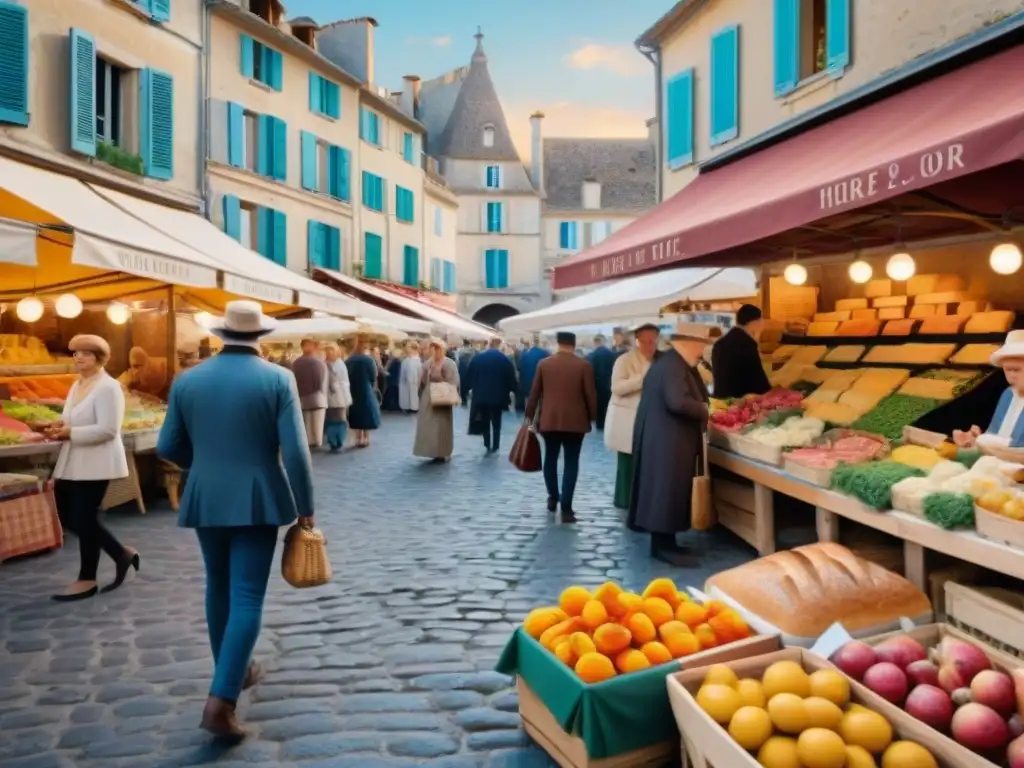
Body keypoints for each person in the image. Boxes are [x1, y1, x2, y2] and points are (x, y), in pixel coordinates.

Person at [156, 301, 314, 741]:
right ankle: (220, 701)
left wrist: (204, 464)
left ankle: (236, 670)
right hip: (259, 494)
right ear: (260, 336)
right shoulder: (277, 379)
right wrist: (306, 505)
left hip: (206, 494)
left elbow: (168, 443)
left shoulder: (188, 379)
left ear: (223, 333)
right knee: (247, 595)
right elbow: (297, 453)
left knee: (218, 585)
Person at [48, 334, 137, 602]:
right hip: (73, 462)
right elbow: (69, 417)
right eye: (75, 353)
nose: (79, 358)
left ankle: (87, 578)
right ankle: (120, 554)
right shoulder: (77, 385)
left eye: (86, 353)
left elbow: (109, 430)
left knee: (85, 518)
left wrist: (71, 433)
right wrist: (56, 426)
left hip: (98, 463)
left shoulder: (109, 387)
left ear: (99, 358)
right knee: (66, 513)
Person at [628, 323, 721, 566]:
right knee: (665, 491)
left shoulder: (673, 363)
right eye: (701, 345)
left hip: (666, 438)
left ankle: (667, 543)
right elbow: (677, 401)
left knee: (666, 492)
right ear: (689, 343)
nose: (702, 350)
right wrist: (704, 409)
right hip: (668, 440)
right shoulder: (673, 366)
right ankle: (662, 547)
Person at [525, 332, 597, 523]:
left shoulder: (544, 364)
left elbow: (534, 393)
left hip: (549, 420)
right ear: (574, 345)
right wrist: (593, 416)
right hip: (576, 421)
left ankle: (552, 496)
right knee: (571, 462)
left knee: (550, 458)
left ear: (558, 344)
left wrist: (529, 416)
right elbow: (590, 395)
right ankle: (566, 507)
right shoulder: (583, 365)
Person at [605, 324, 661, 509]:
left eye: (652, 340)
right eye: (644, 341)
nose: (648, 345)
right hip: (628, 419)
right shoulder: (624, 360)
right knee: (627, 461)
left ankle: (644, 500)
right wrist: (642, 379)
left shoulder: (662, 359)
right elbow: (617, 387)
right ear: (637, 340)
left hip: (655, 418)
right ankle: (624, 500)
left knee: (650, 462)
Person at [954, 330, 1024, 451]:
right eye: (1007, 370)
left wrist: (986, 443)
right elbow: (995, 435)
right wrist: (975, 440)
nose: (1011, 375)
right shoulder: (1008, 395)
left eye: (1016, 369)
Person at [466, 337, 517, 454]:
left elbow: (470, 376)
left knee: (484, 420)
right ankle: (496, 445)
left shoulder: (478, 358)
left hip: (481, 396)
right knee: (496, 421)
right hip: (498, 397)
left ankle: (487, 442)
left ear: (489, 344)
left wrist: (470, 389)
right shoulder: (504, 359)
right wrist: (512, 391)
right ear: (499, 345)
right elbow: (511, 379)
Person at [413, 338, 460, 461]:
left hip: (441, 398)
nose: (433, 351)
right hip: (430, 398)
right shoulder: (429, 363)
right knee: (431, 426)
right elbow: (422, 381)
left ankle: (443, 452)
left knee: (442, 426)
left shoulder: (448, 363)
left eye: (435, 348)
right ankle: (434, 451)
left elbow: (453, 381)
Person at [711, 304, 770, 399]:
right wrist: (769, 394)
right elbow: (757, 375)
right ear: (754, 321)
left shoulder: (720, 342)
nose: (761, 324)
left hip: (720, 398)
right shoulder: (747, 343)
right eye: (760, 321)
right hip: (738, 399)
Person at [291, 339, 329, 449]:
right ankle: (316, 441)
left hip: (303, 398)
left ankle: (310, 441)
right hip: (317, 397)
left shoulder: (296, 363)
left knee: (307, 422)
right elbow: (323, 382)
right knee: (317, 422)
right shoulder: (318, 362)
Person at [346, 336, 382, 447]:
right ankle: (366, 437)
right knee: (366, 413)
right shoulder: (368, 360)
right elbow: (373, 376)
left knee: (356, 413)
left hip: (352, 389)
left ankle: (358, 437)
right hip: (366, 389)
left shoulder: (349, 360)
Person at [324, 343, 351, 452]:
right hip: (329, 397)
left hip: (341, 396)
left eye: (332, 351)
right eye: (328, 351)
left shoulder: (341, 364)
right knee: (330, 419)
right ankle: (332, 440)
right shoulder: (324, 364)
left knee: (340, 419)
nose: (330, 354)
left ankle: (339, 440)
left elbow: (345, 380)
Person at [586, 335, 616, 431]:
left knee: (598, 405)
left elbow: (589, 372)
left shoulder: (591, 355)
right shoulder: (611, 354)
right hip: (609, 384)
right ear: (603, 341)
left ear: (595, 342)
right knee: (608, 405)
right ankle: (609, 423)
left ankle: (600, 424)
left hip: (596, 385)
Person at [517, 336, 549, 414]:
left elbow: (519, 368)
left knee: (529, 405)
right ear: (539, 342)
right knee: (539, 405)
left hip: (526, 385)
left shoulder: (524, 354)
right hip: (540, 384)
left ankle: (529, 421)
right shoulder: (545, 353)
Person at [399, 341, 423, 414]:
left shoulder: (417, 359)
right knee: (406, 393)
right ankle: (407, 406)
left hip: (415, 380)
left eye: (408, 346)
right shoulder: (406, 360)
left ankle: (415, 407)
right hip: (406, 380)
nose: (407, 348)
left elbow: (420, 371)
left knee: (414, 393)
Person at [456, 340, 477, 405]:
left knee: (462, 385)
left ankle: (463, 400)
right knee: (470, 384)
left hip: (462, 370)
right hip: (471, 370)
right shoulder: (474, 351)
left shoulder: (460, 351)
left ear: (463, 344)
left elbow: (457, 362)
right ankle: (468, 395)